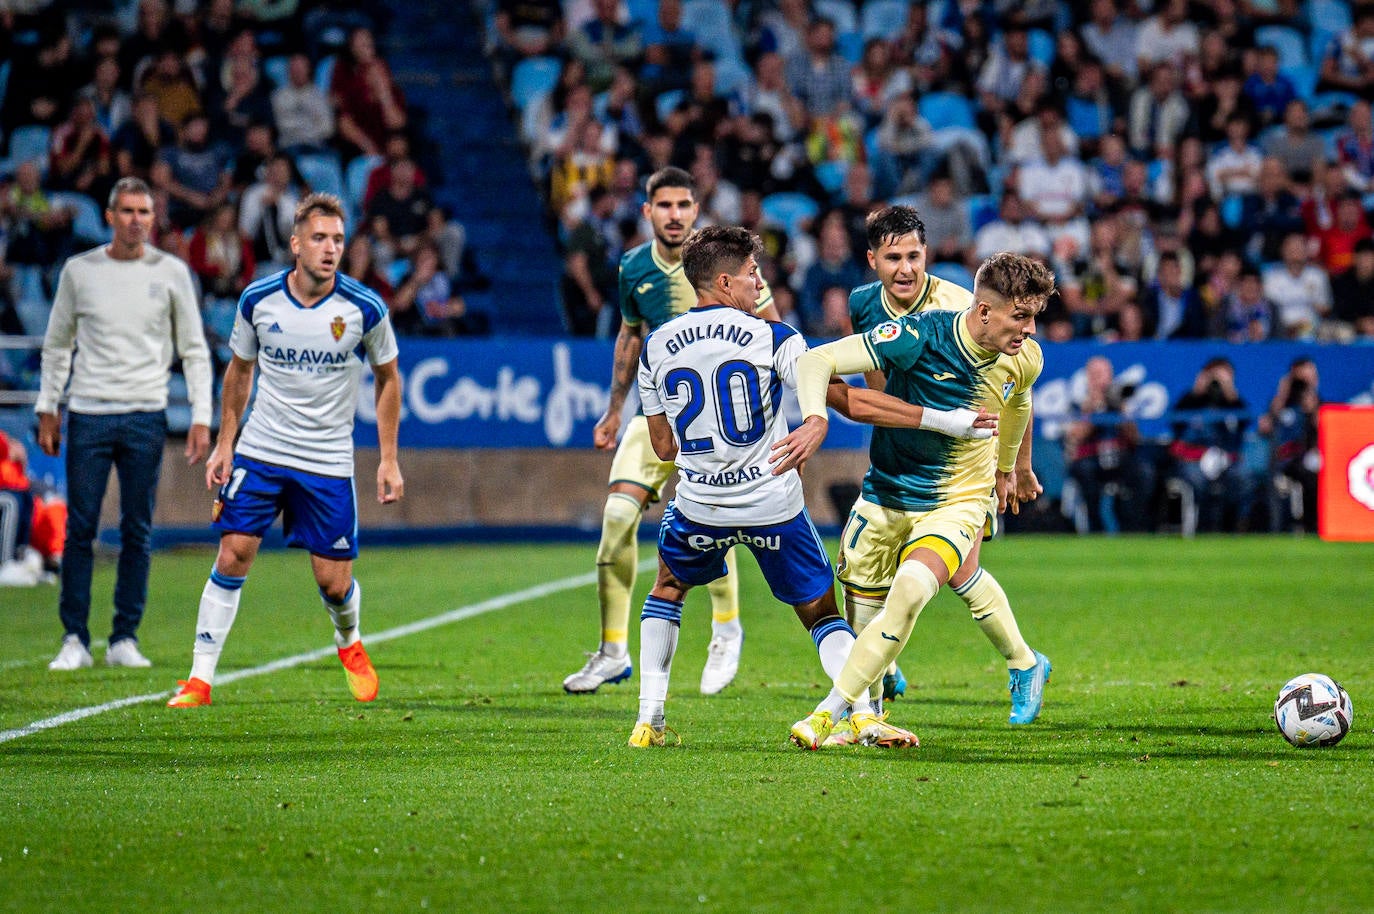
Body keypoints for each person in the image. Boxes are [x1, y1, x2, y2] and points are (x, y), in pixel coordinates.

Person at [628, 225, 994, 748]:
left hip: (700, 504)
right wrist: (943, 420)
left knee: (667, 588)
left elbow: (663, 447)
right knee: (822, 613)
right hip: (770, 500)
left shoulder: (656, 345)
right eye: (753, 273)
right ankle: (865, 716)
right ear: (725, 281)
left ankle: (650, 722)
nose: (760, 282)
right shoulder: (772, 337)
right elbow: (850, 401)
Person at [778, 252, 1056, 748]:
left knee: (911, 589)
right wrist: (816, 419)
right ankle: (868, 720)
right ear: (985, 311)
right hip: (886, 492)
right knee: (865, 621)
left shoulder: (1024, 358)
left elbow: (1018, 400)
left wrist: (1010, 467)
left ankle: (827, 712)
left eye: (1034, 316)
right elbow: (815, 360)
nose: (1031, 329)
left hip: (956, 502)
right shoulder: (919, 334)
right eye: (1022, 317)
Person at [166, 192, 403, 708]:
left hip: (327, 461)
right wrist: (226, 444)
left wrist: (387, 458)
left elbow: (388, 380)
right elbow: (240, 372)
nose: (330, 248)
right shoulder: (259, 300)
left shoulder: (364, 308)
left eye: (338, 239)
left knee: (333, 582)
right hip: (263, 449)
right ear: (296, 244)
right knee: (233, 553)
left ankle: (349, 641)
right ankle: (199, 679)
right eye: (319, 238)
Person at [833, 205, 1046, 733]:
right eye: (893, 258)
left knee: (954, 569)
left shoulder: (962, 308)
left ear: (926, 255)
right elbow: (879, 378)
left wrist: (1013, 467)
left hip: (961, 468)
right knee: (881, 576)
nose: (905, 269)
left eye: (914, 257)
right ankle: (886, 661)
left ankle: (1023, 664)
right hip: (902, 456)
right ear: (873, 260)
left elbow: (1015, 391)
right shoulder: (863, 304)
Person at [568, 167, 776, 697]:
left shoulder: (723, 265)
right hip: (658, 418)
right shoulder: (634, 267)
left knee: (714, 513)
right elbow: (629, 336)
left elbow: (768, 328)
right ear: (648, 211)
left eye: (685, 204)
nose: (676, 214)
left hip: (716, 424)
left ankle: (726, 630)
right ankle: (613, 651)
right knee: (616, 520)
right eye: (665, 205)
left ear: (696, 209)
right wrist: (615, 409)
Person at [37, 176, 214, 670]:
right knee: (80, 527)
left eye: (145, 212)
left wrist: (201, 416)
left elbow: (194, 349)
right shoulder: (80, 271)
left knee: (137, 530)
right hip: (89, 411)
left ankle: (123, 639)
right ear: (110, 216)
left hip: (144, 413)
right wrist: (47, 406)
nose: (136, 220)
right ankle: (74, 637)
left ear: (153, 219)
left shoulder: (173, 272)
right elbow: (57, 344)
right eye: (127, 211)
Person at [1168, 357, 1254, 533]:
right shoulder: (1191, 401)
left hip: (1227, 460)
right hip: (1194, 459)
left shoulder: (1233, 404)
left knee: (1243, 477)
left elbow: (1245, 423)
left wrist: (1230, 392)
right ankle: (1202, 527)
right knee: (1196, 480)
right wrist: (1196, 392)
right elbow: (1175, 425)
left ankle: (1235, 526)